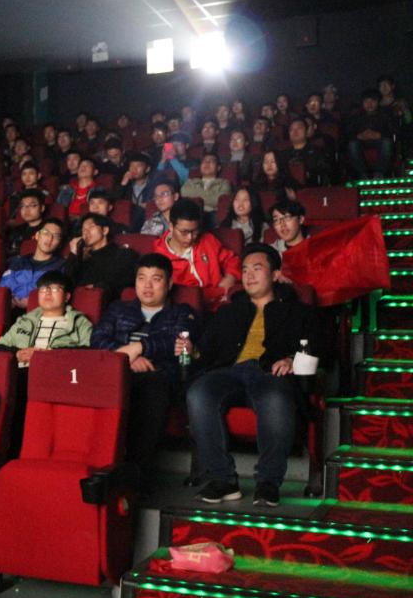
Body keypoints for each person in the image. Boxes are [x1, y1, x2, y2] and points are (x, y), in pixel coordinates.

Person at [182, 243, 322, 507]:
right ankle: (223, 480)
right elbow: (206, 350)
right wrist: (192, 350)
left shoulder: (296, 311)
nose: (249, 275)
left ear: (275, 275)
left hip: (269, 372)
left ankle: (268, 482)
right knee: (199, 392)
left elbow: (318, 345)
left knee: (275, 397)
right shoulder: (229, 310)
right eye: (245, 270)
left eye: (257, 269)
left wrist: (292, 359)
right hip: (230, 372)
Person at [90, 254, 198, 486]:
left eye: (156, 279)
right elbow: (97, 339)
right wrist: (126, 359)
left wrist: (139, 347)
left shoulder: (181, 312)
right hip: (117, 371)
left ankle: (137, 475)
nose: (147, 285)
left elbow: (177, 341)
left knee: (151, 386)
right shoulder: (118, 309)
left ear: (169, 283)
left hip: (158, 376)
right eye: (142, 278)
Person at [0, 270, 93, 367]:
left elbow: (90, 353)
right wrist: (17, 354)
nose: (47, 292)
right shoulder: (25, 321)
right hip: (21, 373)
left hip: (57, 372)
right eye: (43, 289)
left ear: (66, 297)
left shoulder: (79, 322)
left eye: (54, 289)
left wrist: (48, 355)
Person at [153, 199, 240, 306]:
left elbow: (231, 259)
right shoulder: (160, 258)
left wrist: (230, 277)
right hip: (190, 308)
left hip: (222, 302)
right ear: (171, 226)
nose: (190, 237)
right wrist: (217, 292)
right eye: (184, 232)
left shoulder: (207, 240)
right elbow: (181, 296)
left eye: (194, 231)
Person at [62, 213, 138, 298]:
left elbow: (125, 281)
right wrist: (73, 253)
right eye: (83, 230)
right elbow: (66, 284)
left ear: (105, 230)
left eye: (91, 227)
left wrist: (97, 286)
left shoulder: (123, 254)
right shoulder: (83, 258)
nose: (86, 232)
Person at [0, 217, 66, 309]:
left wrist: (32, 302)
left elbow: (55, 296)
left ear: (60, 244)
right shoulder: (18, 262)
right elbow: (3, 288)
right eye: (46, 233)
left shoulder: (60, 266)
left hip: (39, 313)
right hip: (8, 309)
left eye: (56, 236)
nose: (50, 239)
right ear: (37, 235)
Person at [347, 88, 396, 179]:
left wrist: (380, 135)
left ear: (377, 102)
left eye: (373, 101)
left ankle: (379, 173)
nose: (369, 104)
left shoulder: (385, 115)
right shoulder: (356, 116)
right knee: (352, 144)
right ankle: (362, 174)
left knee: (387, 142)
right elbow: (347, 133)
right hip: (361, 142)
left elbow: (393, 131)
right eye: (366, 101)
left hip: (379, 141)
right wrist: (358, 136)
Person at [283, 118, 334, 186]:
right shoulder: (283, 154)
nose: (295, 131)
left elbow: (325, 175)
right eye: (291, 129)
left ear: (306, 131)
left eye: (299, 128)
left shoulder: (317, 152)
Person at [181, 152, 230, 218]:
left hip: (212, 216)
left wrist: (195, 195)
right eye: (204, 161)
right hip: (189, 215)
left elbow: (219, 201)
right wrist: (210, 196)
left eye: (211, 161)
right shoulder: (190, 182)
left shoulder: (224, 183)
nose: (207, 163)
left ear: (218, 167)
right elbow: (184, 194)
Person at [4, 189, 46, 259]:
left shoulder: (48, 230)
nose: (26, 210)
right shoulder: (16, 230)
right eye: (23, 206)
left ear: (42, 208)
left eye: (32, 205)